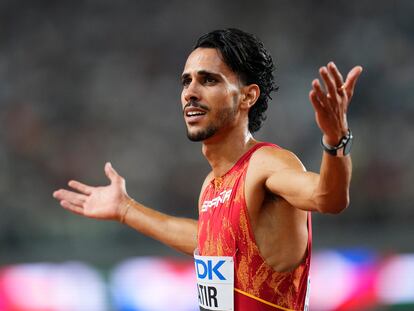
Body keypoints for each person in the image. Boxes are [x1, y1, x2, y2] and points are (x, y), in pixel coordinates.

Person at [53, 28, 362, 311]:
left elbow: (328, 198)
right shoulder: (212, 185)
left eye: (209, 80)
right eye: (186, 81)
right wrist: (125, 209)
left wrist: (335, 141)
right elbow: (209, 241)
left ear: (247, 96)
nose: (190, 91)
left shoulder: (267, 164)